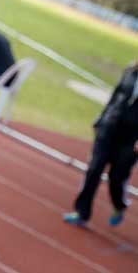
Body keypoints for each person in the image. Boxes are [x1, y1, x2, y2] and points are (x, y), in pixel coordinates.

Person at [63, 61, 138, 227]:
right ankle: (82, 212)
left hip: (132, 138)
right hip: (109, 128)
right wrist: (101, 118)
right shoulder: (130, 72)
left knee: (117, 177)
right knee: (94, 169)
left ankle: (119, 205)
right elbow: (115, 97)